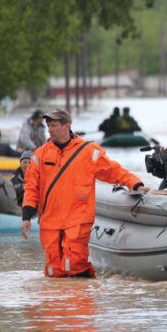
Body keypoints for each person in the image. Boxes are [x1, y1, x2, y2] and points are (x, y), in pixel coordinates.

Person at [20, 108, 150, 278]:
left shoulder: (88, 152)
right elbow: (31, 187)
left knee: (74, 264)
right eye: (48, 126)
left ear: (67, 126)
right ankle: (54, 303)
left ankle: (80, 301)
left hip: (77, 218)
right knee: (53, 269)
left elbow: (113, 171)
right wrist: (26, 216)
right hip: (50, 221)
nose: (49, 130)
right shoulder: (40, 155)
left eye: (54, 125)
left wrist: (136, 184)